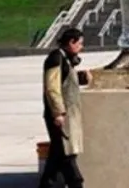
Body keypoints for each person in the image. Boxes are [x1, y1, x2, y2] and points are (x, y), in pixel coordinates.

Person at [39, 28, 93, 188]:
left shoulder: (65, 59)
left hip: (66, 116)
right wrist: (58, 113)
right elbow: (52, 87)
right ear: (71, 42)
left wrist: (83, 77)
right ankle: (76, 183)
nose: (81, 47)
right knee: (66, 154)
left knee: (58, 157)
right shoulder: (56, 58)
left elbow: (67, 81)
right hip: (60, 117)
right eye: (80, 43)